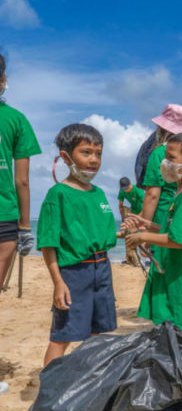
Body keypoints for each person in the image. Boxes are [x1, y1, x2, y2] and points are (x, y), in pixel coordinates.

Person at [37, 124, 117, 367]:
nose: (94, 159)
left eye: (98, 153)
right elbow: (48, 243)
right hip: (74, 273)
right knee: (63, 336)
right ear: (66, 156)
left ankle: (91, 381)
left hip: (102, 270)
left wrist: (127, 231)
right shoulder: (58, 194)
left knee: (99, 333)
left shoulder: (100, 193)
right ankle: (48, 390)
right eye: (86, 152)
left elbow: (100, 232)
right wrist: (58, 282)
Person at [124, 131, 182, 342]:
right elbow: (172, 230)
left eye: (171, 158)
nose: (165, 163)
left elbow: (178, 240)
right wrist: (148, 225)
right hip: (175, 275)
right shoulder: (180, 194)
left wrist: (141, 236)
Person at [0, 53, 41, 289]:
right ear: (3, 79)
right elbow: (22, 181)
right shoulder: (17, 120)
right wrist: (25, 227)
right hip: (4, 214)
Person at [141, 104, 182, 227]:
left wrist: (145, 227)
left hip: (164, 219)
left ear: (162, 129)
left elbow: (152, 195)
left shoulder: (160, 153)